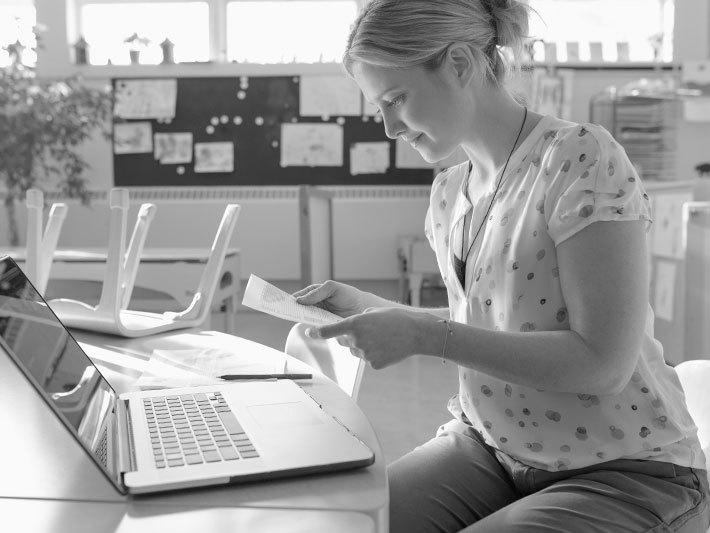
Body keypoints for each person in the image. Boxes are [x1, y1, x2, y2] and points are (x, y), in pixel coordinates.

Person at [293, 0, 710, 531]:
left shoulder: (579, 158)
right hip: (491, 449)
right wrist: (366, 309)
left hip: (625, 472)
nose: (390, 127)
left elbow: (604, 364)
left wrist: (427, 336)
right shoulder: (450, 191)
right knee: (353, 523)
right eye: (379, 107)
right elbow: (489, 318)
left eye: (396, 99)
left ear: (461, 64)